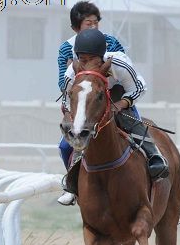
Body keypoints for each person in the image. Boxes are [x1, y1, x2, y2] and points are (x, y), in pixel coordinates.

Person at [59, 29, 169, 205]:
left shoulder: (118, 63)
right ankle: (72, 185)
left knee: (129, 121)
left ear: (101, 57)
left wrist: (119, 105)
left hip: (119, 95)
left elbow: (139, 87)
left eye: (91, 60)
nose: (86, 65)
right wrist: (69, 115)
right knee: (65, 146)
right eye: (82, 60)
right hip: (89, 103)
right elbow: (67, 98)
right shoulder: (72, 72)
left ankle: (155, 157)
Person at [57, 1, 125, 205]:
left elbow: (125, 70)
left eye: (96, 22)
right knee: (65, 146)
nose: (94, 27)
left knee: (140, 129)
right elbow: (63, 81)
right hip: (84, 102)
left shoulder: (111, 42)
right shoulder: (66, 48)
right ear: (76, 27)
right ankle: (72, 185)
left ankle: (157, 165)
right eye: (88, 23)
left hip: (114, 98)